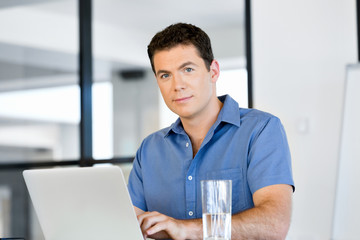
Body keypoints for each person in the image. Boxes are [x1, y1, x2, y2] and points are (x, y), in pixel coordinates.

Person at [127, 23, 294, 240]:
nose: (177, 85)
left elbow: (274, 224)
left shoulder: (261, 130)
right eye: (165, 75)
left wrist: (185, 229)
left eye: (188, 70)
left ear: (213, 71)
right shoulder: (149, 150)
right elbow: (128, 226)